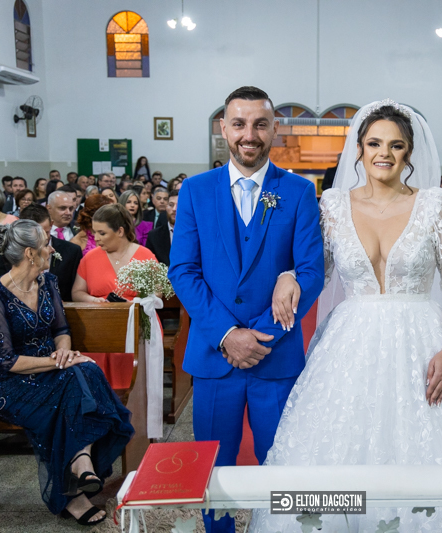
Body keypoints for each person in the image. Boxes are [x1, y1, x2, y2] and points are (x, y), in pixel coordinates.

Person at [250, 100, 442, 533]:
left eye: (395, 145)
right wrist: (288, 275)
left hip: (423, 338)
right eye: (374, 143)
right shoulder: (332, 205)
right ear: (358, 149)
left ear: (409, 152)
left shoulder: (434, 204)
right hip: (351, 342)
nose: (384, 153)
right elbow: (319, 270)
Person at [169, 87, 326, 533]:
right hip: (214, 356)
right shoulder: (196, 191)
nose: (249, 135)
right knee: (213, 468)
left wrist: (260, 336)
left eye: (260, 124)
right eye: (239, 124)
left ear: (275, 129)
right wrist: (227, 334)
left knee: (279, 463)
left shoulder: (298, 192)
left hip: (274, 356)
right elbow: (183, 271)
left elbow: (311, 271)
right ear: (224, 129)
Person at [0, 221, 132, 524]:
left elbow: (61, 329)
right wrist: (59, 362)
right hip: (12, 383)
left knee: (86, 372)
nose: (52, 249)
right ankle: (77, 481)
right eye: (46, 245)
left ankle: (80, 465)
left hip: (54, 370)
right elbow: (6, 361)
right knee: (74, 384)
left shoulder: (47, 281)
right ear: (30, 253)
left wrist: (64, 351)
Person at [0, 205, 82, 302]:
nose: (52, 249)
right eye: (43, 243)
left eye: (46, 233)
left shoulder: (50, 281)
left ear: (51, 224)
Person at [72, 204, 156, 302]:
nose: (96, 238)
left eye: (102, 233)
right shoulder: (89, 258)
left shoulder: (145, 256)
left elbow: (157, 292)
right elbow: (77, 293)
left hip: (137, 310)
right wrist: (94, 300)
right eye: (94, 232)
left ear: (120, 231)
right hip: (100, 311)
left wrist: (137, 303)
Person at [146, 190, 177, 266]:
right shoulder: (154, 236)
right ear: (166, 207)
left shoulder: (194, 234)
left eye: (179, 205)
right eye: (171, 205)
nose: (174, 209)